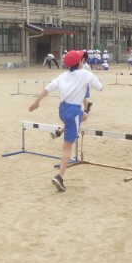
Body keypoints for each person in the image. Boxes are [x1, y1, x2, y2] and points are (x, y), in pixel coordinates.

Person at [29, 50, 103, 192]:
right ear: (80, 62)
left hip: (62, 110)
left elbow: (47, 89)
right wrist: (98, 80)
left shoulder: (62, 76)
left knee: (84, 116)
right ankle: (59, 177)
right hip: (73, 111)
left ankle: (60, 130)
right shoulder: (86, 74)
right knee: (67, 148)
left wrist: (36, 102)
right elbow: (100, 88)